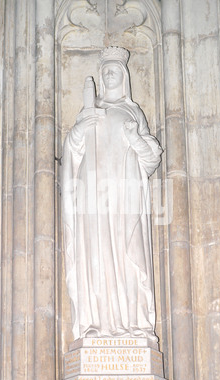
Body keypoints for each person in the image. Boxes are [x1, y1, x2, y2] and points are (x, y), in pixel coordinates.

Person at [62, 46, 162, 342]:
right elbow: (73, 153)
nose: (109, 74)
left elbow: (151, 160)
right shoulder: (89, 111)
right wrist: (77, 133)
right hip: (93, 198)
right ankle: (96, 323)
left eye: (114, 70)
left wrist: (134, 139)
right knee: (95, 256)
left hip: (124, 195)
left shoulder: (133, 112)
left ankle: (133, 325)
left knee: (126, 255)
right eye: (105, 71)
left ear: (124, 76)